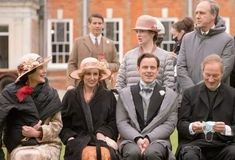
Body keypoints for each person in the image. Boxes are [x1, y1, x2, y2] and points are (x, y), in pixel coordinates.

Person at [0, 53, 62, 160]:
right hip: (19, 143)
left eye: (44, 67)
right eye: (40, 68)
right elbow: (3, 122)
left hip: (47, 144)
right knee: (23, 156)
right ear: (29, 73)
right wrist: (23, 132)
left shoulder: (51, 94)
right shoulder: (9, 93)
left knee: (33, 156)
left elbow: (57, 125)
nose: (45, 71)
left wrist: (38, 132)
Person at [116, 53, 178, 160]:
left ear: (158, 70)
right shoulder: (125, 94)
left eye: (152, 67)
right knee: (133, 153)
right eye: (145, 67)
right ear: (138, 69)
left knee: (152, 153)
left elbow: (170, 124)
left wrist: (149, 138)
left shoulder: (170, 95)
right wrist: (138, 138)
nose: (149, 71)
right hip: (131, 140)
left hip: (158, 140)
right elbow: (122, 123)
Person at [176, 54, 235, 160]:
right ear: (202, 72)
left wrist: (226, 129)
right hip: (195, 144)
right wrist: (192, 127)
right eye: (207, 75)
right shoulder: (190, 93)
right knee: (190, 156)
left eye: (215, 75)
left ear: (222, 74)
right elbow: (181, 124)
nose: (211, 79)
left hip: (224, 145)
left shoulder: (233, 95)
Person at [60, 57, 118, 160]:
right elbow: (63, 122)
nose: (92, 78)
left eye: (95, 74)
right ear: (82, 76)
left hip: (102, 140)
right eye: (88, 74)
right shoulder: (71, 96)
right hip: (78, 141)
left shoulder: (108, 96)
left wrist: (103, 133)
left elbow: (113, 121)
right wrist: (70, 138)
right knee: (88, 155)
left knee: (105, 154)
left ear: (99, 76)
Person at [177, 0, 235, 91]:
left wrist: (197, 91)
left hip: (216, 99)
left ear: (213, 15)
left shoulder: (227, 40)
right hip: (189, 98)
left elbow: (224, 70)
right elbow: (180, 68)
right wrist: (192, 92)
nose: (197, 16)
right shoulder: (187, 39)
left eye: (202, 13)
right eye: (196, 13)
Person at [116, 15, 175, 91]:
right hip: (131, 102)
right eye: (137, 31)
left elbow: (169, 87)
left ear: (153, 33)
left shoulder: (166, 57)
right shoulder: (128, 56)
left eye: (142, 31)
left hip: (156, 102)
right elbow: (120, 85)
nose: (138, 35)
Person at [67, 13, 120, 90]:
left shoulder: (110, 44)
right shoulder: (79, 42)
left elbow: (117, 65)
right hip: (82, 84)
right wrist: (71, 84)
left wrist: (107, 65)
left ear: (103, 25)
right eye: (94, 23)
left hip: (103, 86)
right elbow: (72, 64)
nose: (97, 26)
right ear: (89, 25)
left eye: (99, 23)